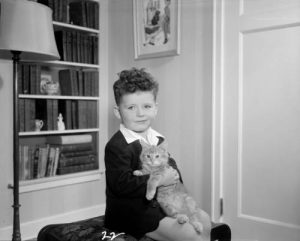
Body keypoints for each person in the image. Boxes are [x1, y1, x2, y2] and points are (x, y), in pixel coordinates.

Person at [104, 67, 208, 241]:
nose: (140, 113)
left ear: (155, 108)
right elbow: (120, 184)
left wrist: (173, 175)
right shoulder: (117, 146)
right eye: (131, 107)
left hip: (160, 204)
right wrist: (161, 179)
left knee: (204, 219)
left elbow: (171, 166)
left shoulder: (157, 138)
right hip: (133, 212)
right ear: (118, 111)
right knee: (191, 236)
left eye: (146, 106)